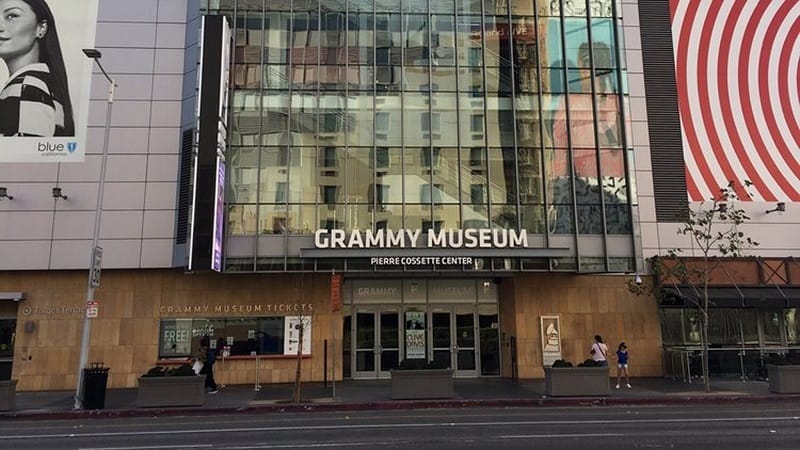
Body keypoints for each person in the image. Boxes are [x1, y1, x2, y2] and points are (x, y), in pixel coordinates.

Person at [0, 0, 75, 137]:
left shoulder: (27, 86)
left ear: (41, 28)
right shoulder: (45, 83)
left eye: (12, 16)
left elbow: (21, 154)